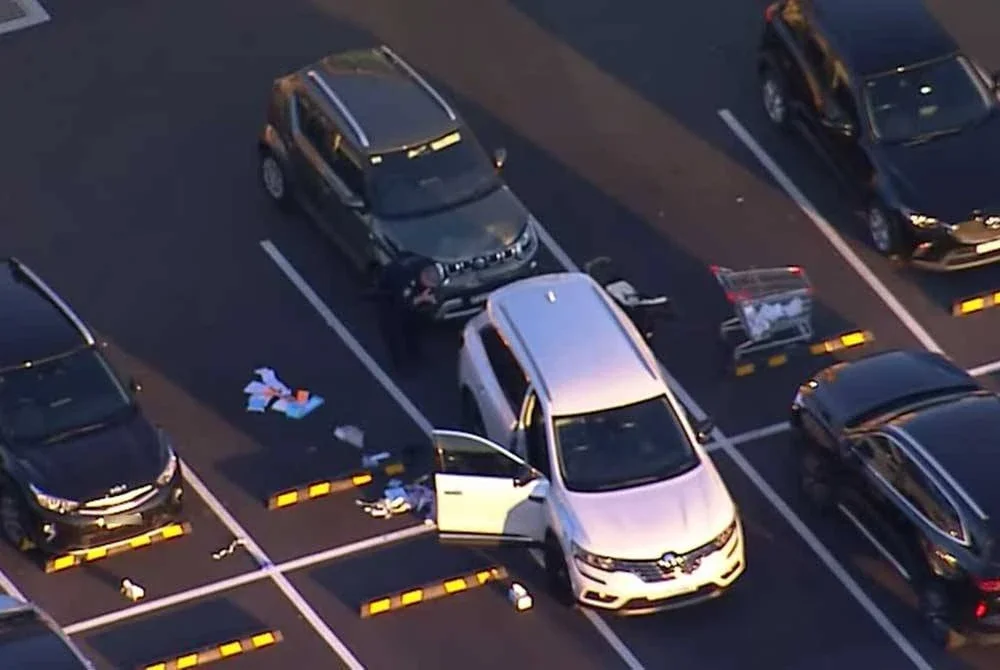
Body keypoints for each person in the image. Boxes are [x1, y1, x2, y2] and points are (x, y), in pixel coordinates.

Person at [366, 254, 439, 371]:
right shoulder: (405, 280)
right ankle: (401, 367)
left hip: (404, 290)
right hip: (390, 299)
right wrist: (422, 298)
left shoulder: (427, 263)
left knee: (413, 329)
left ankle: (416, 355)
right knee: (394, 334)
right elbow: (404, 303)